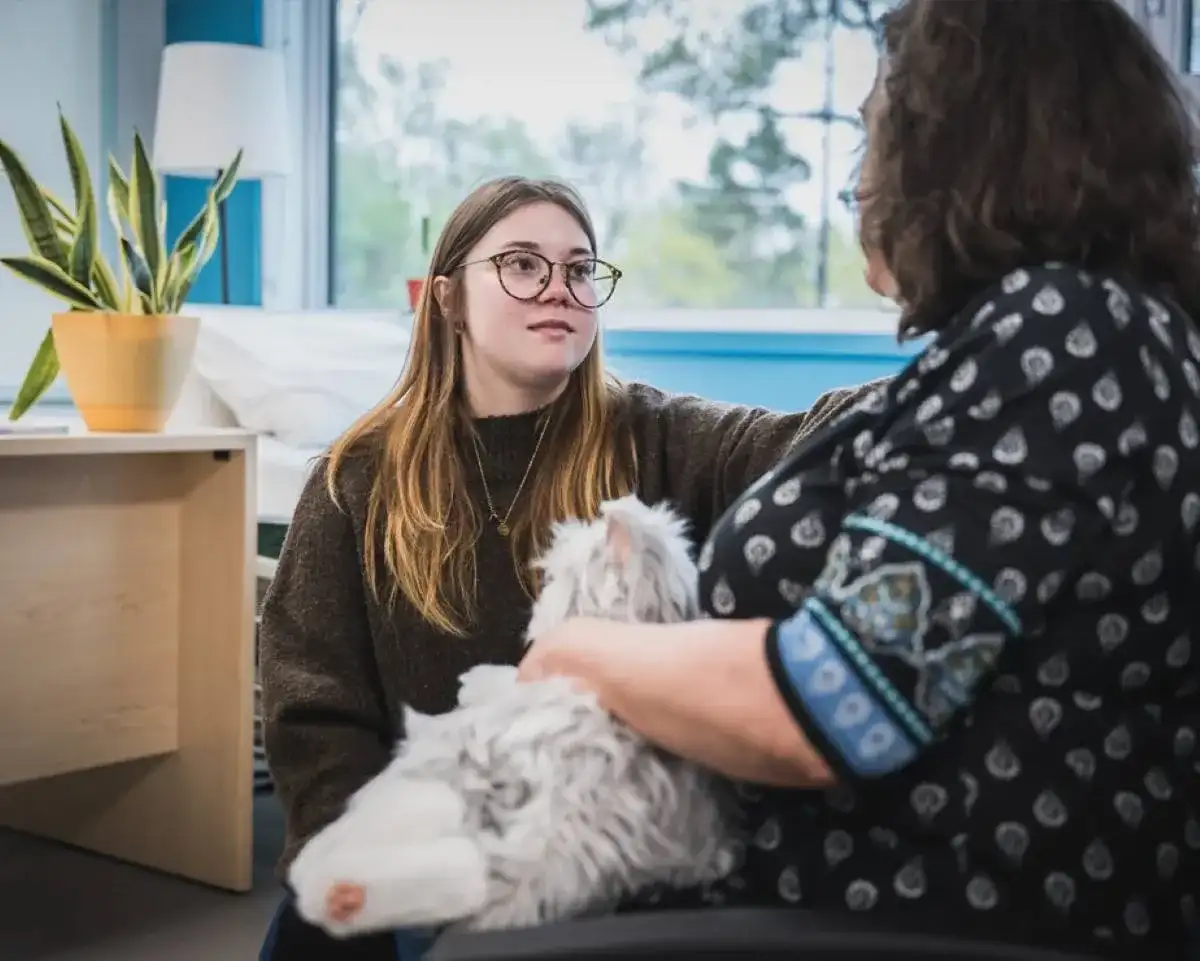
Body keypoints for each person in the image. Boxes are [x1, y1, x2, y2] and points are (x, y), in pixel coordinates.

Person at [518, 1, 1200, 958]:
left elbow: (838, 701)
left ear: (959, 146)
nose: (863, 176)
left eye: (879, 133)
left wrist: (575, 652)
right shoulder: (1063, 338)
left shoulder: (1063, 334)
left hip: (904, 912)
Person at [257, 174, 880, 959]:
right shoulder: (355, 479)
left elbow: (814, 432)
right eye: (522, 264)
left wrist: (948, 380)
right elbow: (313, 713)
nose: (558, 288)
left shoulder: (660, 435)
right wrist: (391, 869)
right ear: (448, 299)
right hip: (419, 852)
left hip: (600, 863)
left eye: (580, 269)